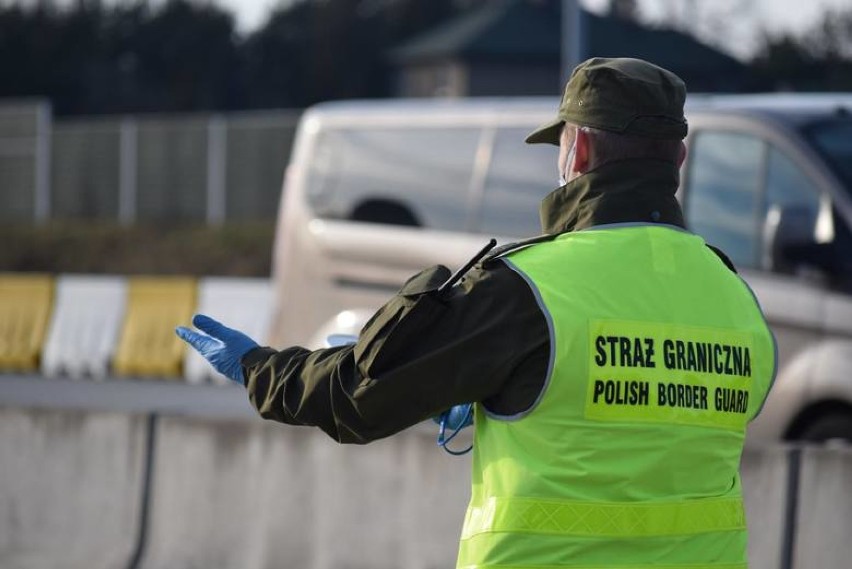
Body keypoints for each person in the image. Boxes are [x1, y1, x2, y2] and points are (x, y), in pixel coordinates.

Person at [178, 57, 776, 569]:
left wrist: (259, 367)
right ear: (679, 158)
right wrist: (517, 388)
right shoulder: (734, 296)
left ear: (581, 148)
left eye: (561, 143)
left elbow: (359, 396)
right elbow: (658, 418)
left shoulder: (528, 288)